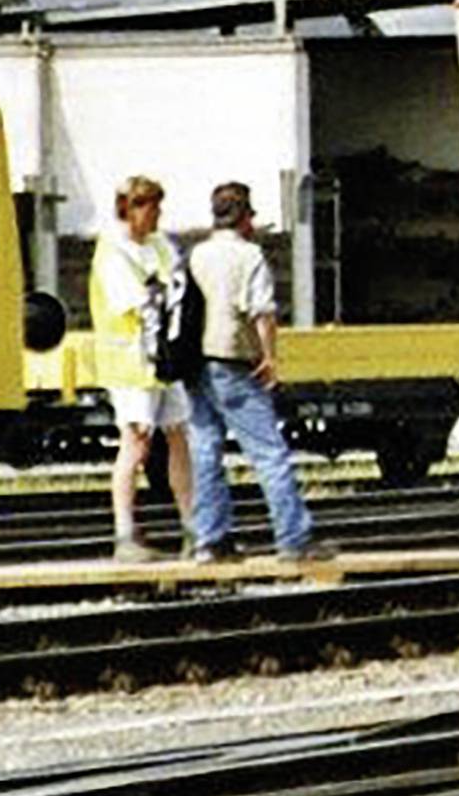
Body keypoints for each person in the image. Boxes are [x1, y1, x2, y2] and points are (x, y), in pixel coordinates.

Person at [183, 181, 328, 563]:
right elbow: (262, 311)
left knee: (205, 452)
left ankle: (210, 541)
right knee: (269, 453)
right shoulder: (250, 256)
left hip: (196, 364)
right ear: (245, 217)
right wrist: (270, 357)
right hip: (234, 361)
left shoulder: (197, 254)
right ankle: (294, 539)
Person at [87, 175, 196, 560]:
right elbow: (137, 300)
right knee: (136, 445)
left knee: (179, 437)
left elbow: (178, 284)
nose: (157, 216)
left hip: (164, 361)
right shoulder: (113, 251)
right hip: (130, 363)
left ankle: (192, 528)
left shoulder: (160, 245)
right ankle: (125, 535)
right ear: (130, 209)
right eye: (151, 208)